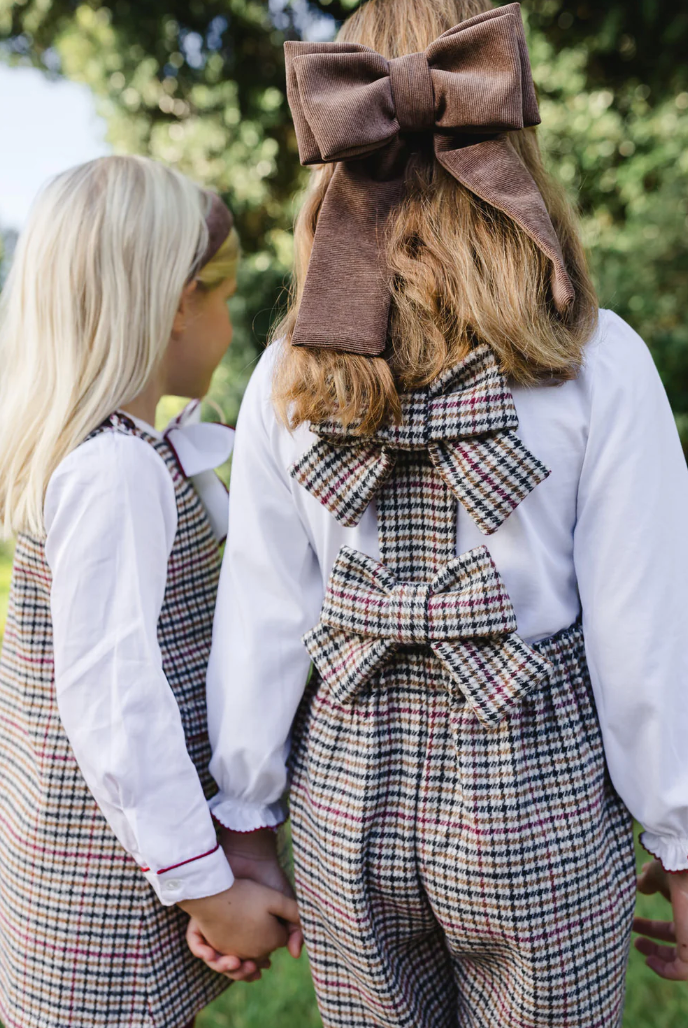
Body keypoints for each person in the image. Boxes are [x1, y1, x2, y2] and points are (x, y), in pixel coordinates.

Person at [194, 1, 688, 1024]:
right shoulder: (599, 360)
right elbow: (648, 628)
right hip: (539, 782)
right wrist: (679, 835)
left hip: (343, 785)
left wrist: (243, 813)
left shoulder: (289, 372)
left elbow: (265, 608)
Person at [0, 155, 300, 1028]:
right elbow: (116, 704)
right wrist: (206, 889)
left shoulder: (119, 455)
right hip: (102, 912)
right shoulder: (116, 472)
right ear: (176, 303)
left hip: (98, 881)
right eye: (224, 289)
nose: (233, 313)